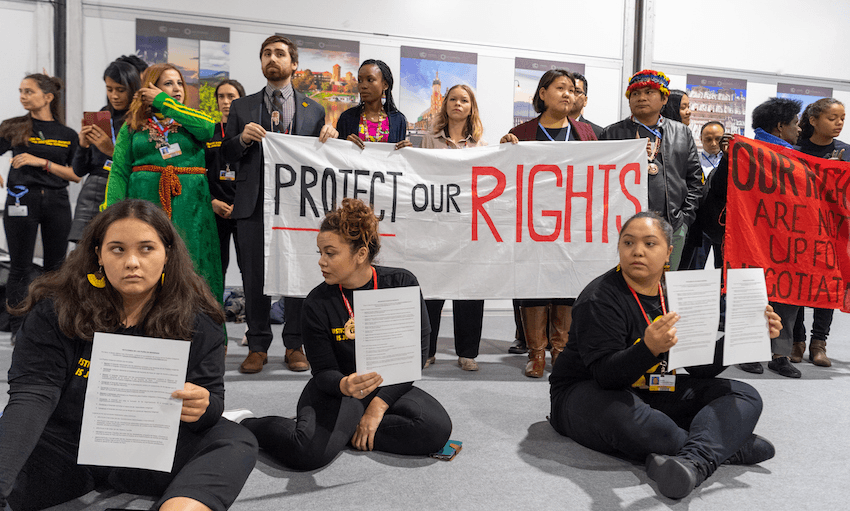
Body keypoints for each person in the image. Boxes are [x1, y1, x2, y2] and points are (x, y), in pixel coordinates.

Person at [0, 199, 258, 511]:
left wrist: (203, 405)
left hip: (150, 452)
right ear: (98, 255)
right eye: (117, 249)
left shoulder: (198, 321)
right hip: (66, 448)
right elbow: (32, 398)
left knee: (235, 440)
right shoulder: (56, 312)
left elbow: (213, 400)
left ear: (167, 254)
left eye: (146, 248)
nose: (132, 262)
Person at [549, 211, 781, 500]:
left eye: (649, 244)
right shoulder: (599, 298)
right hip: (585, 392)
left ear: (669, 251)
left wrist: (743, 339)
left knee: (745, 394)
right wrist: (648, 349)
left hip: (653, 389)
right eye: (628, 243)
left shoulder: (678, 294)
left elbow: (699, 368)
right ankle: (723, 445)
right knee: (658, 432)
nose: (637, 251)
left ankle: (693, 462)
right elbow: (605, 376)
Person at [228, 198, 452, 470]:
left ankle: (341, 433)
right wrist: (344, 385)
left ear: (360, 254)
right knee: (306, 454)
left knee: (436, 430)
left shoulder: (401, 284)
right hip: (338, 389)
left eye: (330, 253)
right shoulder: (316, 302)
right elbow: (323, 373)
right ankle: (244, 423)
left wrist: (378, 406)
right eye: (320, 252)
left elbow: (417, 355)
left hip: (389, 386)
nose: (321, 261)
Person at [222, 35, 337, 374]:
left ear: (294, 64)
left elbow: (322, 161)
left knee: (296, 274)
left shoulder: (314, 110)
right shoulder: (242, 107)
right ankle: (257, 345)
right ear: (261, 62)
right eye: (266, 53)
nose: (272, 58)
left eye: (280, 53)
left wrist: (329, 138)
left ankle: (294, 345)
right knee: (255, 276)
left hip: (297, 206)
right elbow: (225, 156)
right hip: (253, 204)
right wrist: (241, 140)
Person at [500, 69, 597, 378]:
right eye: (560, 88)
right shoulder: (522, 132)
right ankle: (536, 353)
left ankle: (560, 350)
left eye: (572, 89)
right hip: (531, 223)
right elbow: (504, 176)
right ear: (542, 93)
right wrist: (503, 149)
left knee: (567, 284)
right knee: (533, 284)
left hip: (571, 223)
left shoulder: (587, 134)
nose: (568, 94)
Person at [102, 63, 223, 309]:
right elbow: (119, 172)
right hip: (146, 205)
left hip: (192, 210)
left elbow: (208, 129)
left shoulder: (192, 119)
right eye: (168, 83)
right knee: (148, 263)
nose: (177, 88)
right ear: (151, 87)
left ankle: (206, 334)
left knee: (196, 263)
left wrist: (166, 103)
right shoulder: (132, 125)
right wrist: (111, 214)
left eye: (180, 83)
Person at [703, 97, 804, 378]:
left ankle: (780, 353)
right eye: (795, 123)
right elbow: (721, 191)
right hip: (748, 235)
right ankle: (746, 349)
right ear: (780, 126)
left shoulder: (797, 158)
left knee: (786, 291)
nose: (799, 129)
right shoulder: (743, 152)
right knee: (748, 290)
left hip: (785, 237)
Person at [0, 73, 80, 342]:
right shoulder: (13, 126)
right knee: (20, 267)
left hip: (57, 202)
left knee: (55, 268)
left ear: (48, 97)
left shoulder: (67, 134)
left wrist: (40, 161)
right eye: (21, 91)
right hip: (22, 201)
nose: (23, 96)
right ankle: (18, 328)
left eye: (29, 91)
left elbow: (75, 174)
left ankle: (51, 324)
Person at [600, 70, 704, 271]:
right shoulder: (612, 133)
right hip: (623, 225)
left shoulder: (681, 132)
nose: (641, 98)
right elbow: (602, 178)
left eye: (649, 92)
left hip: (672, 225)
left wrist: (684, 218)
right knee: (625, 282)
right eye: (635, 94)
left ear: (664, 98)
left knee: (664, 285)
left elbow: (694, 180)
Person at [421, 84, 487, 371]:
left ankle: (467, 352)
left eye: (464, 100)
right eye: (452, 99)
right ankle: (428, 349)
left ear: (471, 107)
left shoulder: (483, 146)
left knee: (470, 289)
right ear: (444, 104)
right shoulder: (429, 140)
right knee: (431, 288)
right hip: (437, 226)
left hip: (469, 226)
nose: (458, 104)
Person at [790, 98, 848, 368]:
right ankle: (797, 340)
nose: (839, 124)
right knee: (797, 283)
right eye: (832, 118)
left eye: (842, 119)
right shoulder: (795, 149)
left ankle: (819, 343)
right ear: (813, 120)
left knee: (827, 284)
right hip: (797, 227)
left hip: (833, 231)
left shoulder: (847, 153)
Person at [70, 58, 145, 242]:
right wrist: (82, 145)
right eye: (109, 89)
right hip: (94, 189)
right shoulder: (102, 114)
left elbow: (142, 164)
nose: (114, 96)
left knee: (119, 246)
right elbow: (78, 171)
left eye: (121, 90)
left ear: (133, 88)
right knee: (85, 254)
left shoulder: (141, 119)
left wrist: (111, 150)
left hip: (126, 190)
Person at [205, 79, 246, 280]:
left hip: (243, 210)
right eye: (221, 96)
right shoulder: (209, 133)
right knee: (215, 267)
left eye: (231, 96)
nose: (226, 101)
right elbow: (199, 172)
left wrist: (240, 204)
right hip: (214, 209)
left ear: (241, 100)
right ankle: (215, 311)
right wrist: (212, 201)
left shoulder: (249, 134)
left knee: (248, 267)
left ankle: (252, 311)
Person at [337, 59, 411, 149]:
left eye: (370, 80)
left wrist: (406, 151)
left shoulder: (398, 120)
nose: (363, 86)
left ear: (385, 85)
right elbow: (338, 156)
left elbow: (397, 159)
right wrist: (345, 145)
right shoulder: (347, 118)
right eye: (360, 80)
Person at [568, 72, 604, 138]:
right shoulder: (548, 127)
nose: (571, 95)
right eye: (569, 91)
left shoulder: (597, 133)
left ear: (585, 100)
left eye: (577, 91)